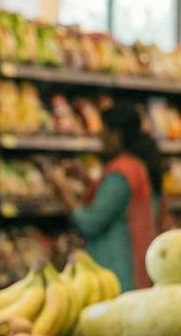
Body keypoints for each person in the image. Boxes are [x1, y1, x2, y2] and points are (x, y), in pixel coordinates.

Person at [48, 102, 164, 290]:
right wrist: (85, 179)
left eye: (104, 131)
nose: (100, 136)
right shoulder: (137, 166)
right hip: (134, 268)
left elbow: (90, 223)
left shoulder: (121, 173)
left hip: (115, 274)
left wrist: (64, 192)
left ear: (116, 135)